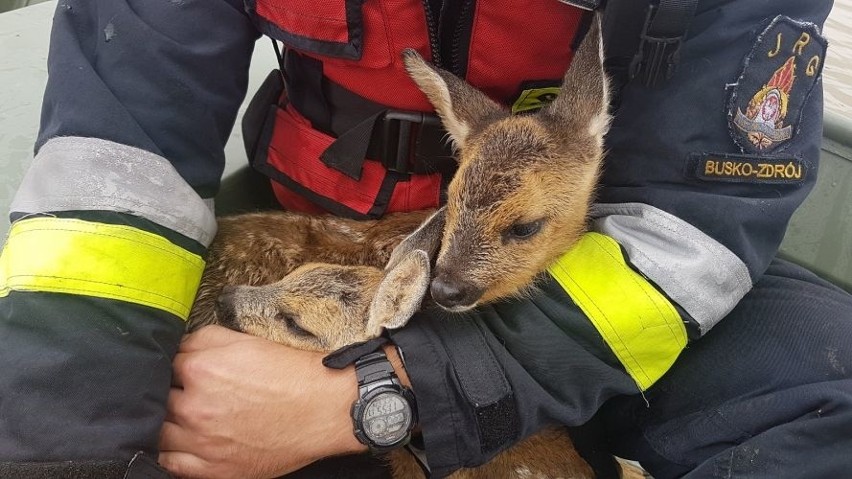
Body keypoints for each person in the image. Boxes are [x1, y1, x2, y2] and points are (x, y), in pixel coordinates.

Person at [0, 1, 849, 478]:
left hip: (591, 271)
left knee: (828, 394)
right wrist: (65, 454)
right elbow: (111, 166)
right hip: (324, 233)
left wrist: (384, 396)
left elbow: (692, 227)